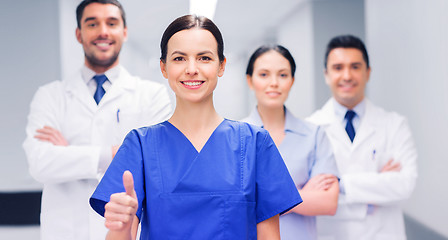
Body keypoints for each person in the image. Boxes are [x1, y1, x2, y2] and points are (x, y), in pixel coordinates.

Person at [89, 15, 302, 240]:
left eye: (204, 58)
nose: (192, 69)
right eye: (179, 58)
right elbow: (123, 233)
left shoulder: (255, 143)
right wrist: (120, 227)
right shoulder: (140, 146)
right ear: (164, 67)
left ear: (221, 66)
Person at [22, 0, 172, 239]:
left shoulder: (152, 95)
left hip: (126, 230)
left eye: (111, 23)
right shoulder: (50, 95)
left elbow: (156, 164)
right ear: (78, 34)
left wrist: (70, 153)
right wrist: (116, 153)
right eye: (92, 24)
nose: (103, 31)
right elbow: (40, 163)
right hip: (64, 231)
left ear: (124, 32)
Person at [307, 35, 418, 240]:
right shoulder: (310, 128)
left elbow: (404, 184)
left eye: (355, 67)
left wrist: (339, 185)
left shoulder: (394, 124)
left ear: (368, 72)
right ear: (326, 74)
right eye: (338, 67)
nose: (347, 75)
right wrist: (377, 186)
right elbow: (309, 196)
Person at [242, 45, 339, 240]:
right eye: (264, 74)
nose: (274, 83)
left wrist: (262, 200)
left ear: (292, 81)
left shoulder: (315, 136)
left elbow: (328, 202)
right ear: (250, 81)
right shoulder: (235, 137)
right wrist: (300, 195)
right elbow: (235, 206)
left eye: (283, 75)